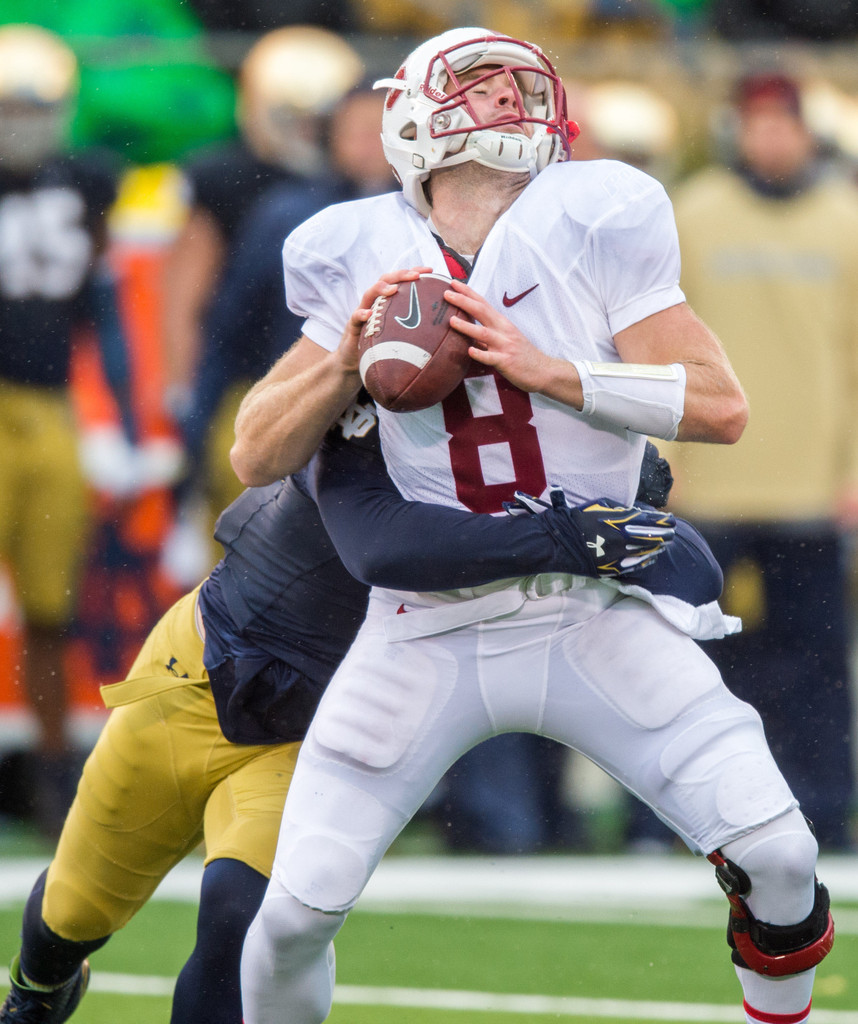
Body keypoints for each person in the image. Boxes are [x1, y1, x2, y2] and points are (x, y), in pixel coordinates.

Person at [231, 28, 834, 1024]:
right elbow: (255, 455)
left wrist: (544, 366)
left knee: (782, 855)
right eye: (481, 85)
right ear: (412, 112)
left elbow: (722, 405)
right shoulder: (349, 249)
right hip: (423, 626)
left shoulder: (598, 213)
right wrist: (341, 361)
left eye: (522, 85)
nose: (510, 102)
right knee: (293, 914)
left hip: (589, 609)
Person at [1, 397, 701, 1023]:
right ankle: (38, 992)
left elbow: (695, 575)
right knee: (71, 912)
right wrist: (561, 537)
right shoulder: (375, 412)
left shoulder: (543, 446)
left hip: (308, 739)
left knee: (242, 923)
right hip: (194, 677)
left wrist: (636, 524)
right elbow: (382, 546)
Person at [664, 71, 858, 851]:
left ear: (806, 130)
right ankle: (680, 819)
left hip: (808, 486)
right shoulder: (695, 214)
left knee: (814, 662)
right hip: (707, 485)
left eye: (783, 122)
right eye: (757, 122)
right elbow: (656, 346)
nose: (770, 137)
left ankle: (824, 808)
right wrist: (660, 464)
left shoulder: (846, 221)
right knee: (687, 665)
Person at [161, 25, 365, 566]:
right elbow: (212, 313)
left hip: (342, 394)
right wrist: (188, 398)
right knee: (245, 560)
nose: (308, 132)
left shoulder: (375, 195)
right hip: (261, 378)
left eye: (320, 120)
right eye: (293, 116)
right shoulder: (247, 190)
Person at [0, 24, 129, 838]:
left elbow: (102, 311)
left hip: (49, 405)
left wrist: (118, 409)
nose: (25, 123)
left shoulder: (88, 180)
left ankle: (51, 780)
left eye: (38, 107)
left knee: (54, 605)